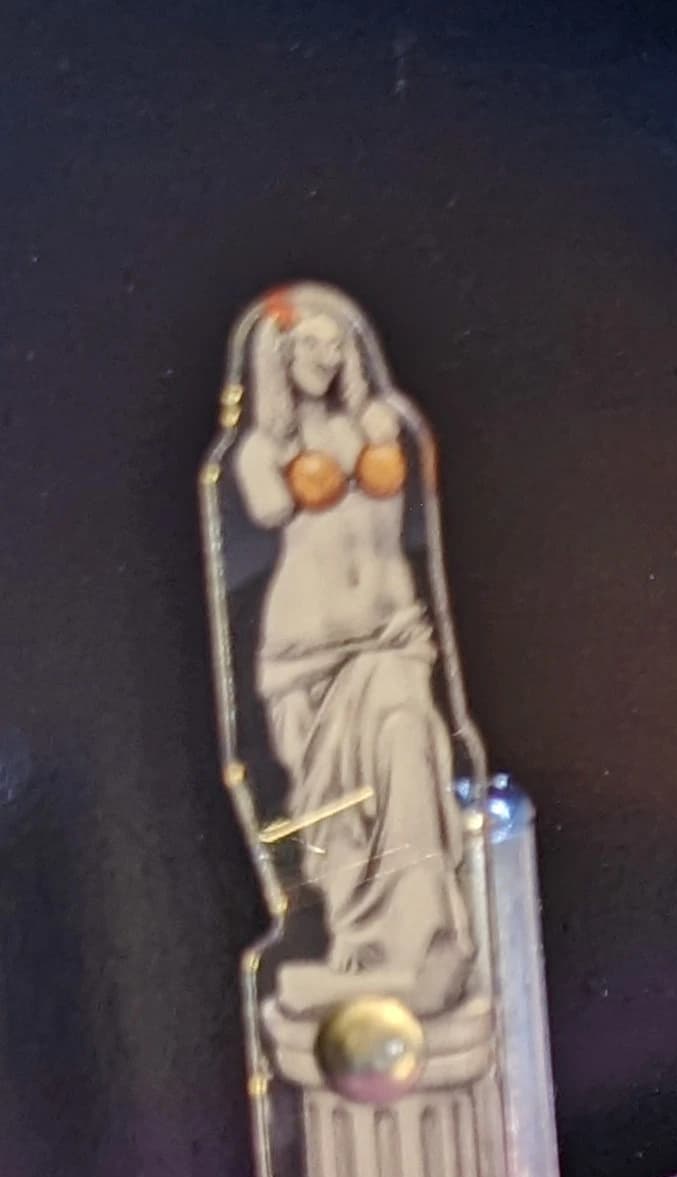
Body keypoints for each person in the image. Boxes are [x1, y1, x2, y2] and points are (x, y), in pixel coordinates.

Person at [226, 285, 475, 1011]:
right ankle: (360, 948)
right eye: (309, 344)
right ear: (279, 354)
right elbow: (270, 507)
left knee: (411, 747)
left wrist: (371, 430)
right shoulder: (260, 451)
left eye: (336, 345)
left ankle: (426, 938)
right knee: (335, 809)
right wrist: (286, 443)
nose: (326, 357)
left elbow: (413, 507)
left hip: (392, 634)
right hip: (310, 648)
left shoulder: (379, 423)